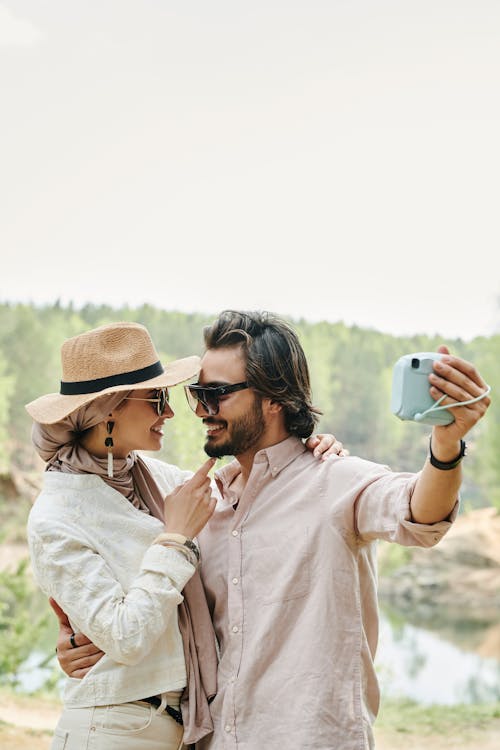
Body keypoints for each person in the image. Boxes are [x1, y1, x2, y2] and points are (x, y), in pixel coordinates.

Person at [56, 310, 491, 748]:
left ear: (275, 398)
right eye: (198, 393)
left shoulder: (335, 479)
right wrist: (79, 641)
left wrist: (446, 446)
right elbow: (160, 615)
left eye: (217, 394)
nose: (202, 410)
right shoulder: (204, 507)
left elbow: (421, 512)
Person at [26, 319, 341, 750]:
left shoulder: (154, 479)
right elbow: (124, 636)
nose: (171, 412)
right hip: (113, 730)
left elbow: (248, 492)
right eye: (157, 398)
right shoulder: (56, 516)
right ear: (109, 409)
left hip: (177, 727)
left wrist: (310, 451)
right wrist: (173, 541)